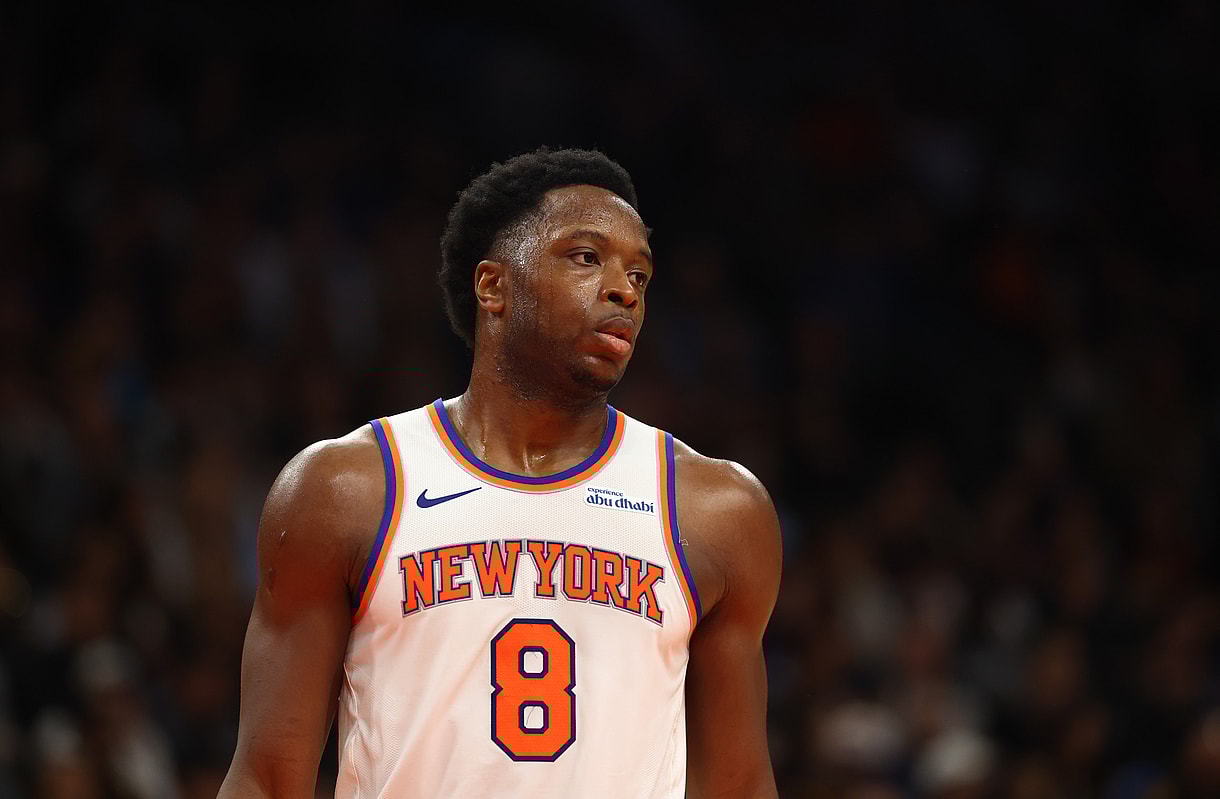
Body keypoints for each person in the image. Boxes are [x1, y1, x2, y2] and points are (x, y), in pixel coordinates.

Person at [218, 147, 782, 798]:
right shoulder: (346, 489)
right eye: (586, 257)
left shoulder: (714, 508)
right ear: (494, 286)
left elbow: (739, 784)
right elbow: (265, 777)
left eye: (640, 274)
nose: (624, 288)